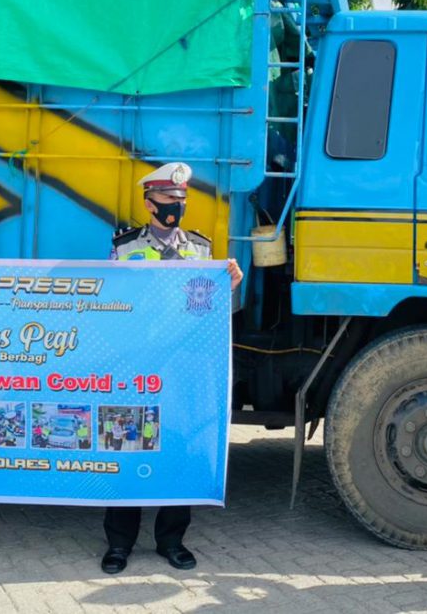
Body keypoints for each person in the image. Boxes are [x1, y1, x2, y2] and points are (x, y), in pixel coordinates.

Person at [101, 161, 243, 575]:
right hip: (135, 365)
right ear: (149, 204)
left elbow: (210, 311)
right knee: (126, 447)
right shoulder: (125, 247)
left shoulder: (199, 250)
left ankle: (171, 541)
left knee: (178, 449)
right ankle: (119, 544)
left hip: (180, 370)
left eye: (179, 201)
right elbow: (109, 304)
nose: (174, 209)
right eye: (166, 201)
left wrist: (229, 283)